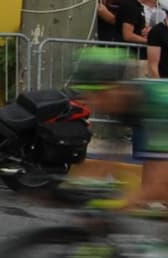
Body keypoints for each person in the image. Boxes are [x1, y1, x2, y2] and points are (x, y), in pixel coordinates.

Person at [66, 46, 168, 209]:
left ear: (117, 88)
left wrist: (121, 204)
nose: (95, 103)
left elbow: (160, 185)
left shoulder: (159, 104)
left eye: (99, 95)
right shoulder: (124, 104)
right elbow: (110, 159)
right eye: (89, 96)